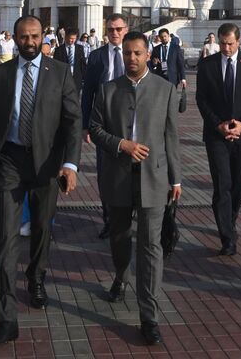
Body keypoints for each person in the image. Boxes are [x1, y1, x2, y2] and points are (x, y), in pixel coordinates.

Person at [0, 14, 81, 346]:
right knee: (6, 239)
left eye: (35, 36)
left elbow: (73, 121)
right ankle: (6, 319)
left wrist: (70, 164)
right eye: (24, 37)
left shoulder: (60, 72)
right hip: (9, 161)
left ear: (42, 38)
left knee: (41, 229)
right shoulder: (1, 74)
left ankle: (36, 277)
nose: (30, 42)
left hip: (46, 165)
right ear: (16, 38)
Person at [89, 29, 181, 347]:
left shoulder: (165, 90)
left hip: (154, 177)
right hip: (118, 177)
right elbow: (95, 129)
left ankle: (149, 317)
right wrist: (122, 144)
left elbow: (171, 136)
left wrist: (176, 178)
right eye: (127, 53)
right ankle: (120, 275)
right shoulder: (108, 90)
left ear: (148, 55)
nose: (132, 58)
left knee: (151, 246)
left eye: (138, 53)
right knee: (119, 237)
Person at [196, 23, 241, 255]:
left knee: (237, 184)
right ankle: (227, 236)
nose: (226, 48)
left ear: (239, 42)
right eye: (223, 44)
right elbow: (202, 99)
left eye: (230, 44)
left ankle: (230, 220)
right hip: (216, 135)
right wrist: (218, 124)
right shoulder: (207, 65)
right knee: (222, 184)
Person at [82, 14, 128, 238]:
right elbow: (88, 92)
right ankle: (109, 218)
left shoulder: (134, 53)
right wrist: (85, 125)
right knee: (105, 172)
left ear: (126, 30)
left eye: (118, 29)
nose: (115, 33)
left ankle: (127, 215)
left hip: (130, 122)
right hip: (104, 123)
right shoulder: (97, 56)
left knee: (130, 171)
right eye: (110, 29)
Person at [53, 24, 87, 93]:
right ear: (66, 37)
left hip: (76, 80)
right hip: (63, 80)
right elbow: (55, 66)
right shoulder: (59, 50)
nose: (73, 40)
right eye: (71, 38)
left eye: (74, 38)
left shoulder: (80, 49)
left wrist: (85, 78)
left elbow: (82, 64)